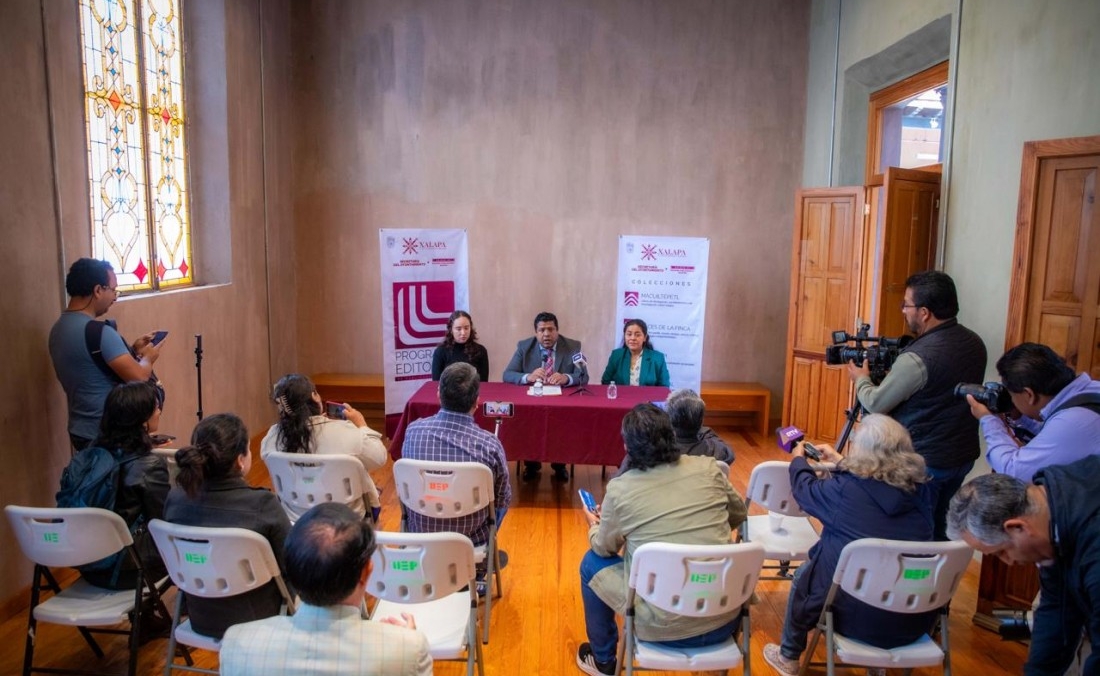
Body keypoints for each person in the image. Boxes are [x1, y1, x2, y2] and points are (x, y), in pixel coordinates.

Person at [576, 403, 747, 676]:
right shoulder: (709, 468)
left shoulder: (621, 488)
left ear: (628, 448)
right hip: (725, 618)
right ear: (672, 435)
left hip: (660, 627)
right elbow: (738, 515)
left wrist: (594, 525)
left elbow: (603, 548)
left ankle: (604, 661)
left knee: (590, 562)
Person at [762, 414, 936, 676]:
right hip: (911, 620)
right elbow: (876, 488)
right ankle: (877, 663)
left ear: (862, 452)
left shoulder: (845, 491)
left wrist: (798, 460)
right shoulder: (921, 492)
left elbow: (805, 491)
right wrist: (840, 461)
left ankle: (788, 656)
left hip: (856, 620)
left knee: (804, 575)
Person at [846, 270, 986, 540]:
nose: (903, 311)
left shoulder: (917, 358)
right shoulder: (974, 342)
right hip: (961, 455)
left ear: (924, 312)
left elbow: (875, 403)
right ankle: (942, 566)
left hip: (925, 462)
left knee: (916, 531)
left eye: (906, 304)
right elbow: (939, 389)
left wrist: (862, 379)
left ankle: (916, 567)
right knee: (943, 526)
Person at [219, 503, 432, 676]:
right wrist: (404, 643)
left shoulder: (236, 643)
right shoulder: (409, 650)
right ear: (366, 572)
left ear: (290, 568)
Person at [947, 457, 1100, 675]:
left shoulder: (1094, 551)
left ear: (1017, 527)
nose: (1008, 562)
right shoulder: (1054, 511)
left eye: (1001, 552)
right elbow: (1056, 614)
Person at [164, 413, 292, 640]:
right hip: (259, 618)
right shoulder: (262, 505)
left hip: (200, 617)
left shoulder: (175, 499)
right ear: (240, 460)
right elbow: (292, 564)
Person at [400, 363, 511, 578]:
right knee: (500, 504)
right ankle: (478, 561)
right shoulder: (489, 445)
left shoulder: (413, 431)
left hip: (420, 531)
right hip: (471, 537)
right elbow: (502, 499)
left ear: (439, 394)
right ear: (477, 401)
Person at [48, 258, 165, 451]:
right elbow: (139, 377)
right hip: (109, 433)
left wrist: (132, 351)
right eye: (113, 290)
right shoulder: (100, 332)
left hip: (80, 429)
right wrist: (147, 358)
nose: (114, 298)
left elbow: (90, 367)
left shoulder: (58, 329)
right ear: (97, 290)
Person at [78, 381, 170, 589]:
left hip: (88, 564)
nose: (159, 412)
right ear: (142, 419)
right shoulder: (148, 465)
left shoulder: (87, 457)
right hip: (130, 570)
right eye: (156, 407)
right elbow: (164, 520)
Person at [260, 374, 387, 521]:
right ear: (314, 396)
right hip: (347, 518)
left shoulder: (272, 437)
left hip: (297, 517)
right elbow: (379, 458)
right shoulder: (348, 432)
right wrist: (362, 425)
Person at [967, 342, 1100, 482]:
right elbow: (1054, 435)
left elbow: (1012, 471)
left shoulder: (1072, 423)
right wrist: (1021, 418)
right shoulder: (1091, 390)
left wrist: (989, 420)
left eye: (1012, 396)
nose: (1013, 402)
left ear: (1029, 394)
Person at [503, 311, 588, 481]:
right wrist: (528, 376)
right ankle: (531, 465)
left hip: (561, 402)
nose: (546, 334)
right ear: (536, 332)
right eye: (542, 330)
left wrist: (566, 378)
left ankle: (560, 465)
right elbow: (508, 374)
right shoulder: (524, 347)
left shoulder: (573, 346)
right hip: (533, 401)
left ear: (557, 330)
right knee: (529, 424)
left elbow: (584, 376)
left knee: (562, 426)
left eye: (550, 329)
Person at [600, 319, 671, 387]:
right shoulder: (616, 355)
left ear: (645, 337)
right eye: (629, 334)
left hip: (648, 396)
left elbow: (664, 387)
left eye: (637, 335)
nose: (633, 338)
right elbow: (605, 382)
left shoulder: (658, 358)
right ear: (624, 336)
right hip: (621, 395)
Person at [431, 310, 489, 382]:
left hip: (473, 389)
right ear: (451, 330)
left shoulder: (481, 350)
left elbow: (484, 383)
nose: (463, 333)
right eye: (458, 329)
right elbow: (436, 383)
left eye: (466, 328)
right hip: (448, 389)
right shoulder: (440, 352)